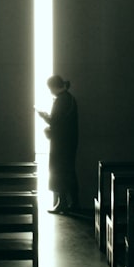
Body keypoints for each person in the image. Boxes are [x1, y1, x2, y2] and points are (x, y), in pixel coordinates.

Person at [37, 75, 79, 214]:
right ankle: (73, 203)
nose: (50, 91)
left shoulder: (62, 100)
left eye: (50, 88)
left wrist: (44, 117)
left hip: (61, 144)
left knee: (58, 172)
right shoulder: (69, 99)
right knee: (68, 171)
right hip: (69, 142)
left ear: (55, 87)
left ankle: (63, 202)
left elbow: (56, 121)